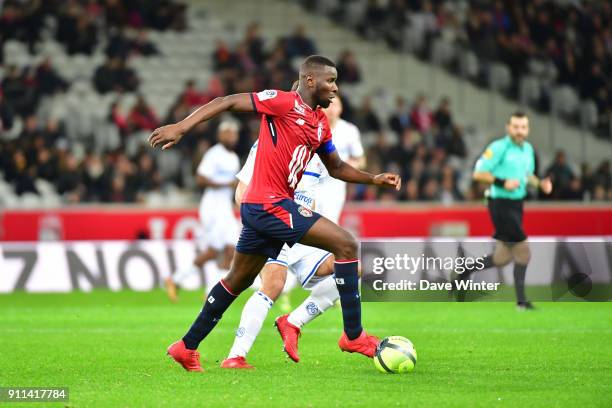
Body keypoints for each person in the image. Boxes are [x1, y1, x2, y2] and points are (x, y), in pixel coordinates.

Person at [149, 55, 401, 372]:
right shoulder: (281, 103)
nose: (335, 89)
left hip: (266, 209)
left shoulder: (320, 123)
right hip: (268, 204)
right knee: (347, 245)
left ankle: (186, 346)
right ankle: (353, 336)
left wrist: (373, 179)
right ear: (311, 80)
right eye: (331, 81)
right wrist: (181, 127)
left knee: (235, 281)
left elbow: (336, 167)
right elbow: (226, 102)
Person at [221, 140, 338, 369]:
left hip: (302, 229)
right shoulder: (268, 141)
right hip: (272, 223)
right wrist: (259, 225)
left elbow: (312, 196)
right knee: (274, 283)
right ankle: (235, 356)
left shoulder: (319, 149)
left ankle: (293, 322)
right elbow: (242, 192)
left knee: (350, 265)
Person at [458, 112, 552, 310]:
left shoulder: (527, 149)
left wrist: (540, 183)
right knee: (523, 250)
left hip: (517, 204)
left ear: (528, 129)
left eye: (523, 127)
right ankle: (522, 302)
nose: (519, 131)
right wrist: (502, 182)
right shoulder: (498, 147)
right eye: (516, 127)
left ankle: (463, 273)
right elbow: (478, 173)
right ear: (508, 128)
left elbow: (528, 175)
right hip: (499, 203)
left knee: (502, 258)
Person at [164, 121, 240, 302]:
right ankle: (177, 280)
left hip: (225, 208)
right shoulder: (214, 154)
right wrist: (225, 184)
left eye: (233, 133)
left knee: (231, 250)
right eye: (227, 132)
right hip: (212, 207)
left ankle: (209, 290)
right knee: (214, 251)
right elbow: (200, 179)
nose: (231, 136)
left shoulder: (234, 158)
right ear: (220, 135)